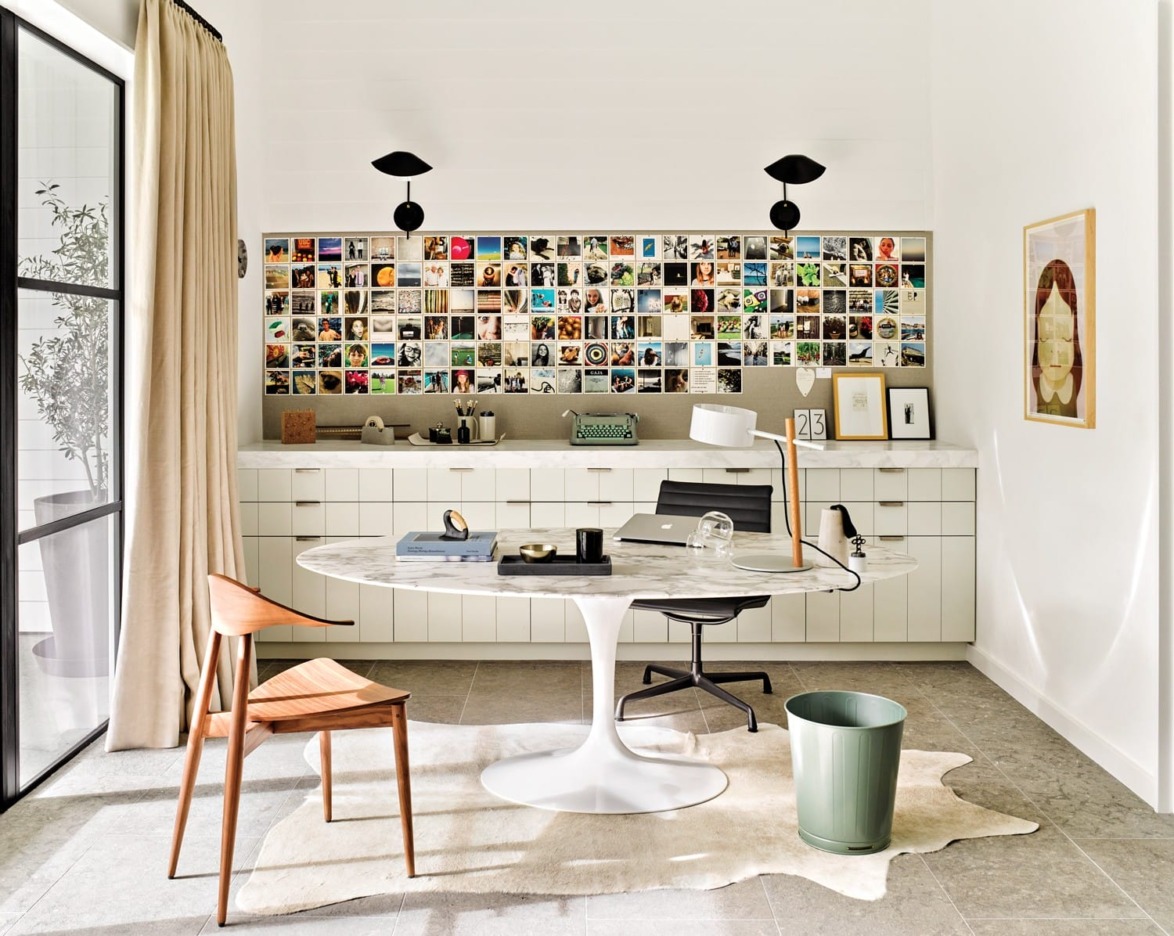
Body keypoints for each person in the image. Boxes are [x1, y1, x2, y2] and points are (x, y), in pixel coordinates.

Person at [1031, 258, 1083, 419]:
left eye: (1065, 339)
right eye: (1045, 339)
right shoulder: (1033, 385)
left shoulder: (1079, 386)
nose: (1055, 353)